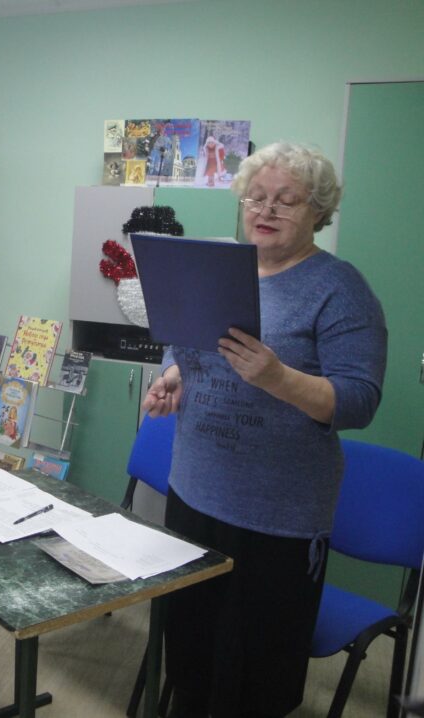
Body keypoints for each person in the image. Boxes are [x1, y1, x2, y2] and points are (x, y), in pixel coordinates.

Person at [142, 142, 387, 717]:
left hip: (275, 520)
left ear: (318, 211)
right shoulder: (217, 265)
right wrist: (174, 375)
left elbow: (359, 400)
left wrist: (279, 378)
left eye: (286, 200)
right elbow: (186, 341)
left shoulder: (340, 289)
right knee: (191, 664)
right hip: (194, 494)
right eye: (255, 197)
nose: (266, 209)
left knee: (252, 684)